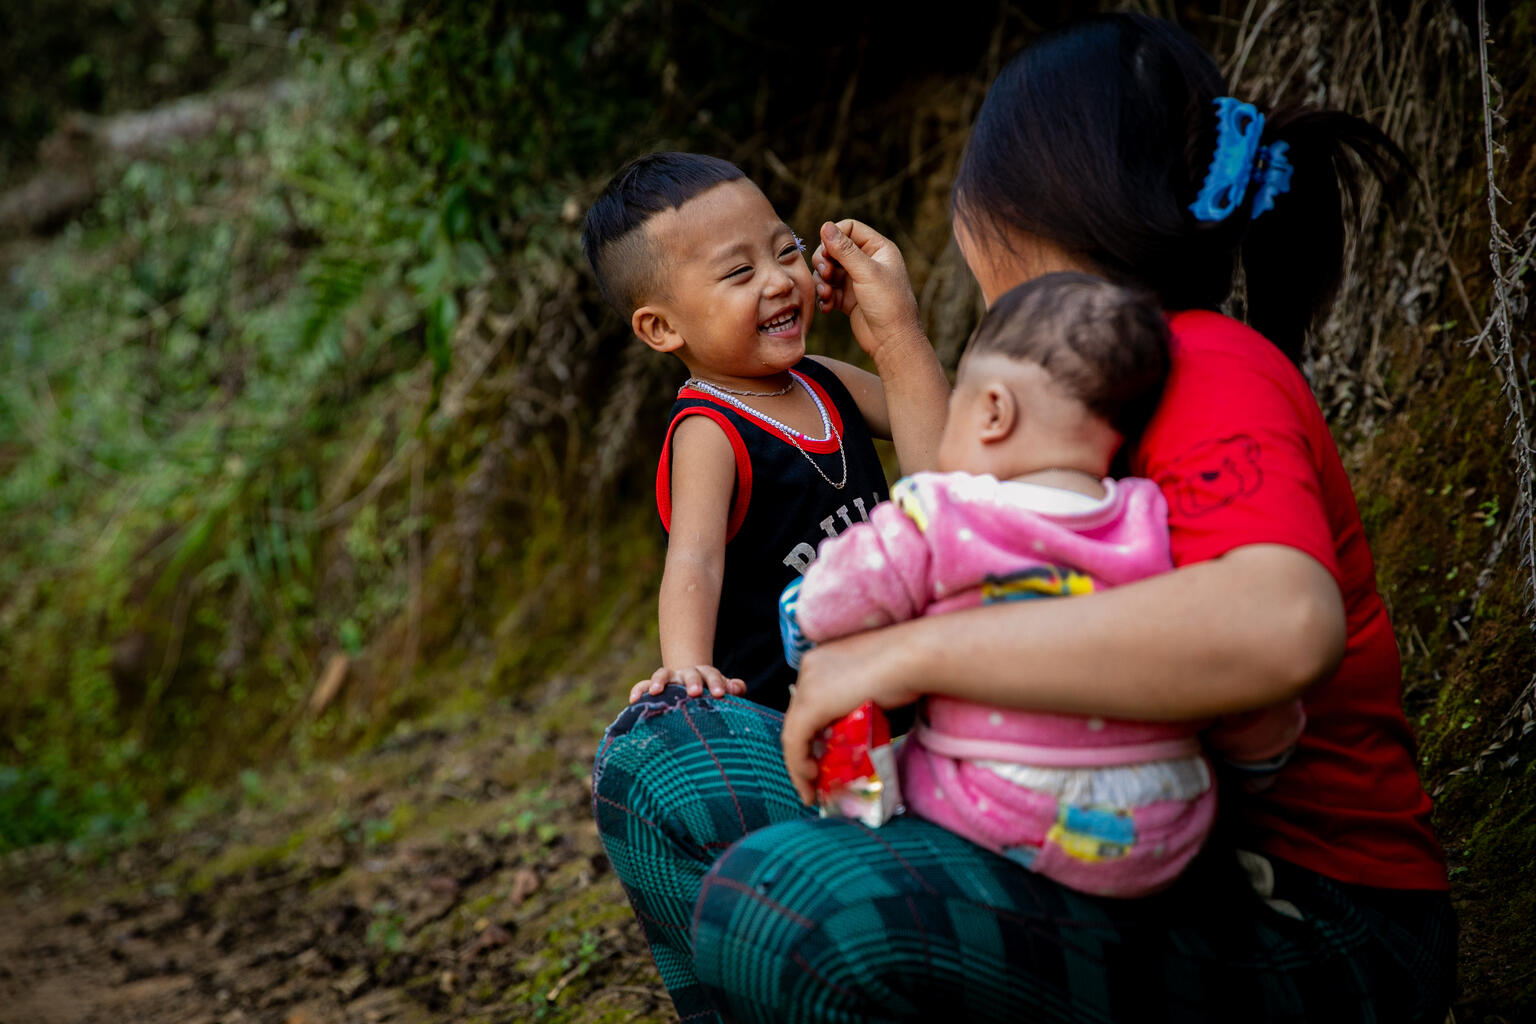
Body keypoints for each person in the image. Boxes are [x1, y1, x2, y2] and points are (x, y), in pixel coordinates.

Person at [592, 14, 1456, 1023]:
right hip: (1052, 812)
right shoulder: (1067, 399)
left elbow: (1282, 621)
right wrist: (895, 333)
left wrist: (902, 659)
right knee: (657, 762)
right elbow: (940, 507)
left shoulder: (1207, 367)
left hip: (1299, 911)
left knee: (786, 907)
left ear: (1039, 211)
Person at [786, 272, 1305, 899]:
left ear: (994, 411)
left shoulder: (946, 513)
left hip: (1007, 805)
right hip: (1164, 824)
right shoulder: (1151, 517)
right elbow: (1234, 676)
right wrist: (1257, 760)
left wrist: (803, 617)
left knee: (893, 768)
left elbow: (837, 597)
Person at [580, 152, 948, 711]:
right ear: (661, 326)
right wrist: (687, 670)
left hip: (900, 681)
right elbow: (693, 561)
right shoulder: (709, 430)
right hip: (792, 720)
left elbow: (946, 449)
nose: (780, 280)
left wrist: (897, 331)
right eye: (739, 272)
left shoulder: (824, 380)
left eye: (785, 251)